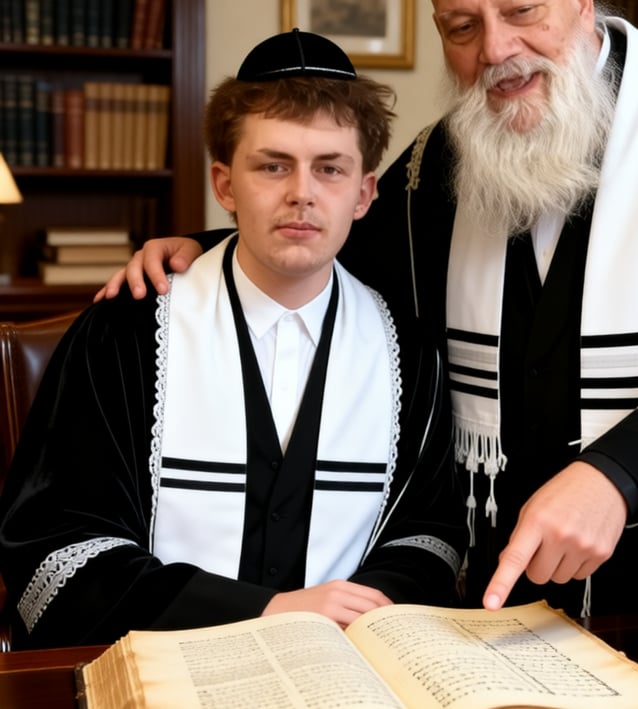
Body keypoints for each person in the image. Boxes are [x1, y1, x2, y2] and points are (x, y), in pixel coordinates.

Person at [98, 0, 638, 620]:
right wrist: (206, 249)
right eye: (461, 27)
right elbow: (324, 237)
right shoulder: (437, 166)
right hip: (497, 617)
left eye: (521, 10)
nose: (497, 49)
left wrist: (621, 475)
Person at [0, 29, 468, 650]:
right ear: (225, 185)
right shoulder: (129, 330)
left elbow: (428, 537)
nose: (302, 192)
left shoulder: (407, 351)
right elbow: (56, 550)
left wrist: (357, 616)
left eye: (329, 169)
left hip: (344, 671)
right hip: (161, 672)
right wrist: (265, 611)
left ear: (364, 194)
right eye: (273, 166)